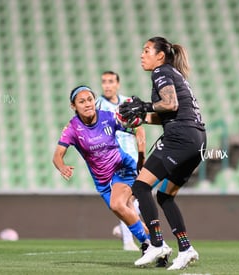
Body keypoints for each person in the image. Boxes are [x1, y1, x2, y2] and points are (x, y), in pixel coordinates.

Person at [118, 36, 207, 270]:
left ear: (160, 56)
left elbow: (170, 104)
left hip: (180, 138)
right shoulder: (173, 73)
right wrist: (143, 117)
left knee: (140, 187)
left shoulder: (160, 72)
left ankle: (157, 244)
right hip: (196, 140)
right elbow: (170, 112)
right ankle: (186, 248)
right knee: (165, 196)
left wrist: (144, 105)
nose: (142, 54)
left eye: (147, 50)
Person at [52, 85, 150, 252]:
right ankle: (155, 243)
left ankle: (148, 246)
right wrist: (62, 167)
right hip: (103, 181)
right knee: (126, 212)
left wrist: (141, 157)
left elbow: (138, 128)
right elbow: (57, 156)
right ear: (73, 106)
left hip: (122, 168)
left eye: (90, 99)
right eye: (81, 101)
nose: (87, 104)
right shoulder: (72, 129)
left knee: (118, 205)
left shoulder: (109, 117)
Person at [95, 71, 144, 251]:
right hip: (114, 158)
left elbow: (138, 127)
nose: (107, 85)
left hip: (132, 155)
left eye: (110, 81)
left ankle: (125, 227)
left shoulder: (126, 103)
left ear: (117, 84)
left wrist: (141, 152)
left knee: (137, 197)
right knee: (126, 199)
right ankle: (128, 240)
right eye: (104, 82)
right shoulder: (98, 105)